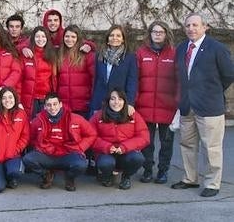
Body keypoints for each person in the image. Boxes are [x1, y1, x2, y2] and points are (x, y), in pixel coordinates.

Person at [171, 12, 234, 197]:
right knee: (187, 144)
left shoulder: (217, 48)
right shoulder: (182, 48)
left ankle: (212, 183)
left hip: (209, 106)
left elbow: (229, 75)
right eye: (188, 25)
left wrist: (212, 90)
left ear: (205, 27)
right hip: (187, 105)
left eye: (195, 25)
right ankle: (190, 179)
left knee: (211, 147)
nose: (191, 28)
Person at [23, 93, 96, 191]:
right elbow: (31, 138)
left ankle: (69, 178)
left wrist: (80, 147)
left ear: (60, 104)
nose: (52, 108)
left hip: (68, 153)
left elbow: (91, 134)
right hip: (47, 154)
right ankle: (46, 175)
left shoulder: (75, 118)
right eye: (49, 105)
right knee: (28, 159)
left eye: (55, 104)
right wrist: (39, 147)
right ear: (44, 107)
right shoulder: (38, 120)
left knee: (81, 164)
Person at [136, 21, 178, 184]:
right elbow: (136, 80)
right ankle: (147, 169)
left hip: (168, 106)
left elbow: (179, 80)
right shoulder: (141, 53)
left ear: (166, 34)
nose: (158, 34)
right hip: (145, 106)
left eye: (161, 32)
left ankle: (163, 170)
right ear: (150, 33)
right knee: (147, 142)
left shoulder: (174, 53)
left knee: (166, 142)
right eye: (155, 31)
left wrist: (177, 102)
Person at [90, 90, 149, 190]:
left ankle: (126, 177)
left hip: (126, 152)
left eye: (120, 99)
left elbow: (144, 137)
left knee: (138, 158)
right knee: (106, 163)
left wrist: (125, 147)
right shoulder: (98, 115)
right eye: (113, 99)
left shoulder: (133, 115)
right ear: (108, 101)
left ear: (125, 101)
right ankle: (107, 175)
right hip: (106, 152)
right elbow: (90, 136)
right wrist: (107, 146)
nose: (116, 102)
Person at [0, 87, 29, 193]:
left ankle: (10, 176)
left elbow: (25, 136)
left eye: (10, 97)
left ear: (15, 98)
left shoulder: (21, 114)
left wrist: (16, 149)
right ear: (0, 100)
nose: (8, 100)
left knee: (16, 172)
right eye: (4, 98)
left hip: (13, 155)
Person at [90, 25, 138, 114]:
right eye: (111, 35)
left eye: (118, 36)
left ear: (123, 39)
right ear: (107, 39)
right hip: (99, 101)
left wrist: (130, 103)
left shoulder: (129, 57)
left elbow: (132, 82)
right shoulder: (100, 55)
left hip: (118, 102)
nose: (114, 38)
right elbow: (96, 80)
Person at [57, 25, 95, 118]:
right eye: (67, 36)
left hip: (82, 106)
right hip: (63, 106)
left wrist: (91, 100)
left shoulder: (87, 55)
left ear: (78, 38)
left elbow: (94, 78)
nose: (70, 39)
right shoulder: (59, 54)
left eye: (73, 37)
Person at [20, 26, 57, 117]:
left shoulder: (52, 54)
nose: (40, 39)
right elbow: (19, 78)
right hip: (30, 98)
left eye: (43, 36)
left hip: (46, 99)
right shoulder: (26, 54)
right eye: (37, 36)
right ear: (33, 38)